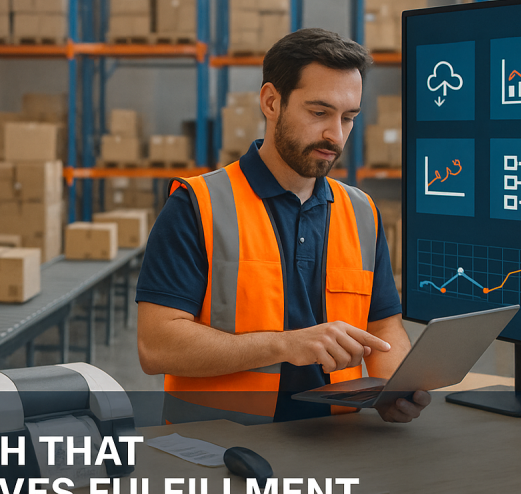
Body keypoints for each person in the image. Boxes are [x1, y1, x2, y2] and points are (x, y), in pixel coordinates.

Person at [136, 28, 431, 425]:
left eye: (348, 118)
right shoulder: (197, 206)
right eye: (319, 112)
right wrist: (286, 345)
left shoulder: (362, 212)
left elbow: (383, 328)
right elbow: (157, 347)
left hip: (337, 439)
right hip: (218, 448)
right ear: (271, 101)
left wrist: (394, 387)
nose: (335, 135)